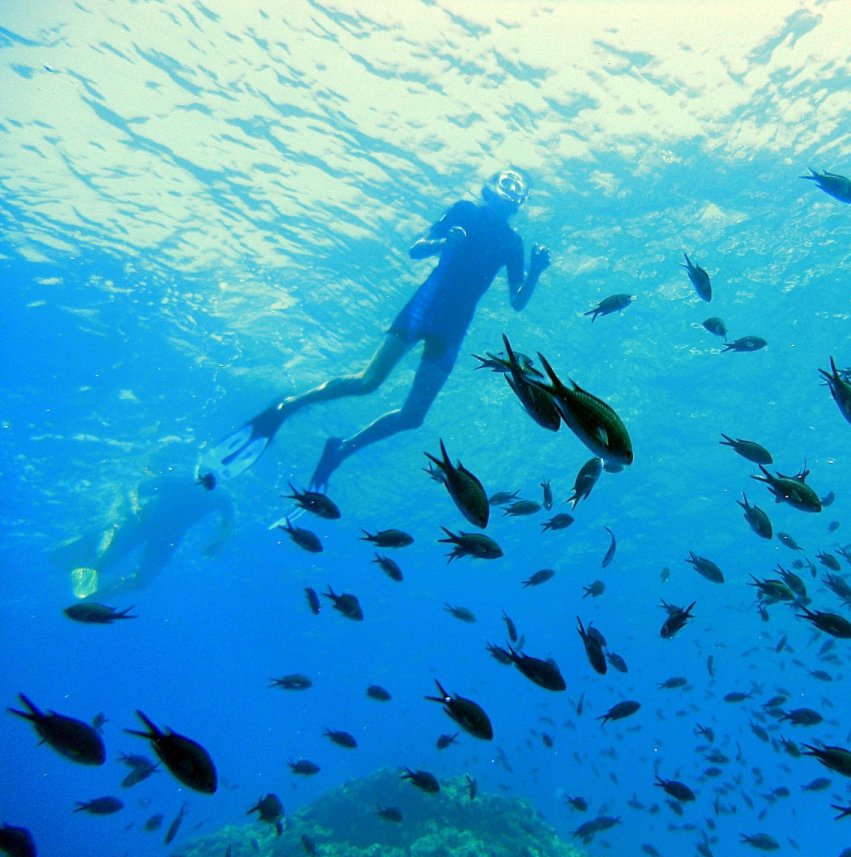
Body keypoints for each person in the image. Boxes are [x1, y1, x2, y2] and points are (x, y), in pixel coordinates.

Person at [201, 168, 551, 490]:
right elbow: (416, 249)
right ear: (490, 188)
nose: (510, 193)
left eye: (517, 190)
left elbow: (517, 301)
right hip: (423, 310)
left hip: (453, 326)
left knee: (413, 417)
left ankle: (340, 451)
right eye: (506, 184)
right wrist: (445, 243)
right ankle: (287, 407)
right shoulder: (464, 210)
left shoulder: (511, 243)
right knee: (368, 382)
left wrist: (535, 270)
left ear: (519, 203)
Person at [56, 471, 235, 602]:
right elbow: (135, 488)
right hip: (143, 522)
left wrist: (220, 541)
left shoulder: (222, 496)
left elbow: (229, 521)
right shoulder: (182, 479)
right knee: (106, 563)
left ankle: (98, 597)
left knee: (142, 582)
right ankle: (106, 535)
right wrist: (132, 508)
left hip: (169, 537)